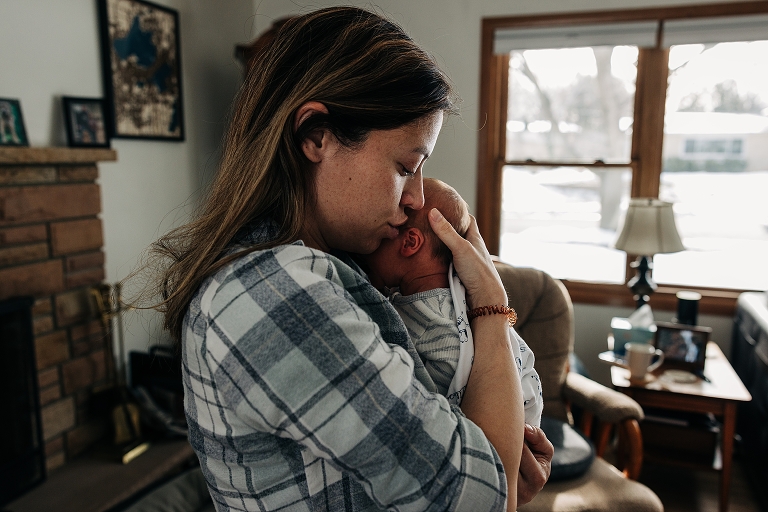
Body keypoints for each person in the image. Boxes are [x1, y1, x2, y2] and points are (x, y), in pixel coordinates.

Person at [145, 7, 552, 511]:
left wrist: (500, 460)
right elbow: (485, 500)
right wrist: (489, 302)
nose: (417, 200)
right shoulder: (276, 296)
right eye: (406, 167)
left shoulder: (330, 271)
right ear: (316, 136)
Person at [361, 178, 543, 426]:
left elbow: (444, 395)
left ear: (410, 242)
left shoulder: (432, 317)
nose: (369, 248)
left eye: (387, 232)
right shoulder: (421, 298)